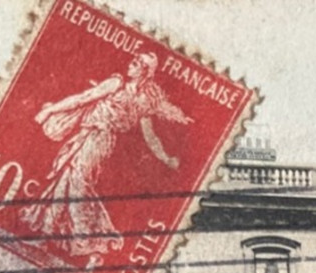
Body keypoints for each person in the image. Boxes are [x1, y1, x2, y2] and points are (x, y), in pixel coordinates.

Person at [21, 51, 192, 260]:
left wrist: (165, 158)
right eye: (134, 60)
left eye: (137, 63)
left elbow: (149, 135)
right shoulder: (124, 88)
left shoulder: (132, 94)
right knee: (66, 180)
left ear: (144, 73)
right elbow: (83, 99)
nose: (131, 64)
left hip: (99, 140)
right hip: (89, 136)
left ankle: (87, 240)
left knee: (77, 181)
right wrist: (52, 110)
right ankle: (47, 234)